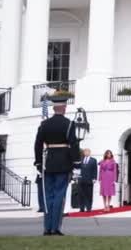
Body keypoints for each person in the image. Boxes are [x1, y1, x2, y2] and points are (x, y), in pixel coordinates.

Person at [33, 96, 80, 236]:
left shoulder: (44, 124)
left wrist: (38, 162)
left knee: (48, 196)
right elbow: (73, 145)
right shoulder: (69, 124)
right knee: (60, 195)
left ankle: (47, 228)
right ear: (64, 108)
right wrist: (76, 163)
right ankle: (55, 228)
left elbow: (37, 144)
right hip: (64, 163)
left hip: (48, 162)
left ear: (53, 108)